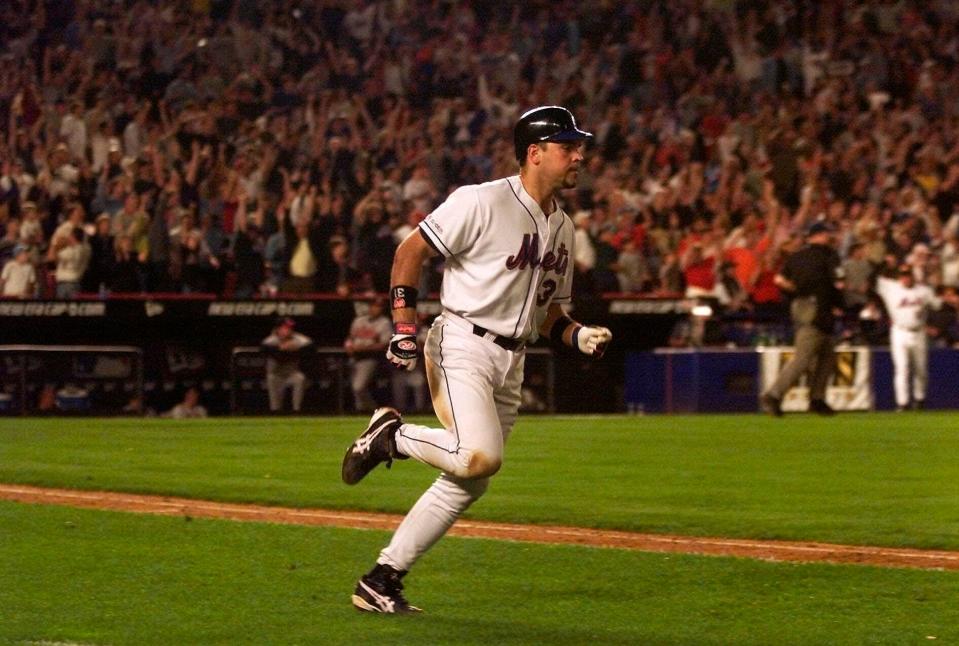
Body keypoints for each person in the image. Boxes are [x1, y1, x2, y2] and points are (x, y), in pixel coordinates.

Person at [341, 106, 612, 613]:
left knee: (470, 480)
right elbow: (409, 252)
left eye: (579, 145)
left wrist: (577, 336)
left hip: (513, 358)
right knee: (479, 456)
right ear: (535, 153)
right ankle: (392, 436)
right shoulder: (481, 201)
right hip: (462, 341)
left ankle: (381, 579)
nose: (580, 154)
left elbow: (550, 313)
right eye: (568, 145)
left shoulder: (564, 228)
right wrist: (404, 326)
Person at [761, 221, 843, 416]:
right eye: (826, 234)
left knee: (827, 354)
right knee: (803, 357)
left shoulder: (796, 256)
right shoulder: (829, 255)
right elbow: (839, 283)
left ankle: (817, 398)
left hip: (800, 305)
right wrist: (839, 303)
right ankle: (773, 395)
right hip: (820, 308)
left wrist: (798, 291)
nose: (829, 237)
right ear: (820, 235)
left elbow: (779, 280)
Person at [874, 262, 940, 411]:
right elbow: (874, 277)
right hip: (899, 332)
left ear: (912, 276)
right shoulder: (891, 287)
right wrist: (887, 265)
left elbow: (938, 305)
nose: (905, 278)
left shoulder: (924, 291)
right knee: (901, 368)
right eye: (903, 275)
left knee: (920, 369)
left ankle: (919, 399)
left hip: (919, 331)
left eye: (908, 275)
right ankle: (902, 403)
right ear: (899, 277)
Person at [344, 298, 392, 412]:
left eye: (379, 306)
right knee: (355, 389)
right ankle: (360, 412)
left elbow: (384, 344)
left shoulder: (384, 322)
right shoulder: (359, 320)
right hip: (353, 357)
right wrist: (348, 345)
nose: (376, 308)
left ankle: (374, 411)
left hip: (370, 358)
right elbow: (350, 337)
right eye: (374, 306)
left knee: (358, 387)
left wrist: (362, 348)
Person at [260, 317, 314, 413]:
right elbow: (276, 355)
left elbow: (311, 348)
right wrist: (282, 349)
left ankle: (297, 410)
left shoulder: (297, 339)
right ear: (278, 329)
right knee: (271, 380)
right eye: (285, 328)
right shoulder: (271, 341)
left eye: (290, 328)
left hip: (291, 373)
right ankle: (275, 411)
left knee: (300, 378)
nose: (288, 330)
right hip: (276, 374)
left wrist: (294, 349)